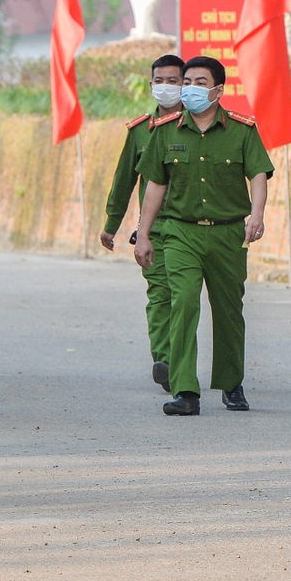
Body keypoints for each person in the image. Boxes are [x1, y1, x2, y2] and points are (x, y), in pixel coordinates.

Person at [134, 56, 273, 416]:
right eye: (187, 82)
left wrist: (257, 215)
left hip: (228, 234)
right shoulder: (165, 131)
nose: (190, 89)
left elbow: (258, 174)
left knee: (228, 310)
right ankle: (185, 390)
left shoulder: (242, 131)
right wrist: (144, 233)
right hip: (181, 234)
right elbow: (154, 186)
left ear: (218, 90)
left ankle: (231, 384)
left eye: (199, 83)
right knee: (184, 304)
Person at [99, 54, 184, 393]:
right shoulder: (140, 132)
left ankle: (183, 361)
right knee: (161, 295)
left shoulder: (200, 128)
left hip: (193, 227)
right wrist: (111, 224)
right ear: (151, 85)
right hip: (156, 231)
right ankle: (165, 360)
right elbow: (124, 180)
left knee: (184, 297)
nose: (165, 86)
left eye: (173, 80)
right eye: (159, 80)